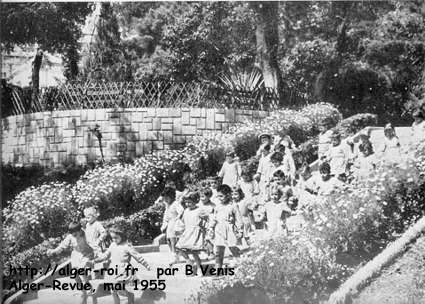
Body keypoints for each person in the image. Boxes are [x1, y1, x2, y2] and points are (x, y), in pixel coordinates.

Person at [93, 226, 152, 304]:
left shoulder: (127, 246)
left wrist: (146, 265)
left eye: (116, 238)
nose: (114, 240)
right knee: (112, 289)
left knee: (120, 289)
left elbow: (137, 256)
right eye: (112, 238)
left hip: (123, 271)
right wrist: (96, 260)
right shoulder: (112, 245)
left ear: (122, 235)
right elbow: (105, 255)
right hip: (114, 270)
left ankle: (130, 297)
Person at [47, 222, 96, 304]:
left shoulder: (86, 235)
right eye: (72, 234)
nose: (74, 236)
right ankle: (83, 291)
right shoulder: (70, 237)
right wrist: (53, 251)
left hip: (87, 254)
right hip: (76, 255)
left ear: (80, 230)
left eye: (76, 234)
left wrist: (97, 255)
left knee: (82, 271)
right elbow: (62, 246)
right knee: (75, 275)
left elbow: (93, 245)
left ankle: (89, 289)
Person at [176, 191, 210, 275]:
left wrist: (206, 231)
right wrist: (180, 230)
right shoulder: (186, 211)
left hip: (196, 233)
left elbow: (207, 220)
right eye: (186, 202)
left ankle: (199, 268)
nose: (187, 204)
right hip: (187, 233)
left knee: (194, 252)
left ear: (195, 201)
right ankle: (189, 263)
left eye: (190, 202)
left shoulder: (200, 210)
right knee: (179, 248)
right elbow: (183, 222)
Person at [210, 185, 243, 269]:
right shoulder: (217, 206)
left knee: (233, 248)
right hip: (219, 230)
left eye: (221, 196)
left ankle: (241, 266)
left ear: (228, 195)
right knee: (218, 250)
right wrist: (211, 228)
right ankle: (218, 268)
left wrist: (240, 231)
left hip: (230, 230)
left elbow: (239, 220)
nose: (219, 198)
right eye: (218, 196)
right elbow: (214, 218)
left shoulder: (233, 206)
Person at [160, 187, 184, 265]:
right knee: (168, 240)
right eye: (164, 198)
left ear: (172, 196)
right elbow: (166, 215)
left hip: (175, 224)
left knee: (173, 240)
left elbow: (181, 210)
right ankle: (174, 254)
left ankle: (175, 256)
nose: (165, 200)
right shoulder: (167, 205)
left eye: (167, 198)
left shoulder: (175, 203)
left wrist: (178, 218)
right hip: (170, 224)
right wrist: (164, 224)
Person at [198, 187, 216, 260]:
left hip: (209, 224)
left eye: (203, 197)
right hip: (201, 225)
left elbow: (214, 216)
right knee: (203, 240)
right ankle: (207, 253)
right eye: (200, 196)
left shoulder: (212, 205)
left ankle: (211, 253)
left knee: (209, 239)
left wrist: (207, 216)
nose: (201, 198)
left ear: (209, 197)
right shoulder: (199, 204)